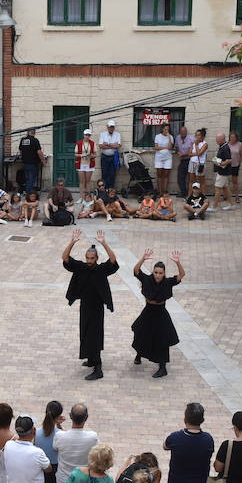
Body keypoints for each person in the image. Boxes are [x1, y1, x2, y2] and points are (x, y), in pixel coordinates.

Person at [61, 229, 119, 381]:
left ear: (96, 258)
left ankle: (98, 368)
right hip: (85, 308)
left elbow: (113, 260)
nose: (89, 260)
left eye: (92, 258)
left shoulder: (101, 270)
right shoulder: (81, 267)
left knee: (95, 336)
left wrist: (104, 243)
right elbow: (65, 258)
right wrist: (72, 242)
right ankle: (91, 359)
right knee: (85, 334)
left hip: (97, 310)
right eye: (87, 257)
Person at [130, 248, 184, 379]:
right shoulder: (147, 279)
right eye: (155, 272)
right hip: (148, 311)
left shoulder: (167, 282)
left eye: (160, 273)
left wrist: (177, 262)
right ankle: (139, 354)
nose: (157, 275)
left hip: (160, 313)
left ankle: (162, 367)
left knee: (162, 339)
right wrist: (143, 259)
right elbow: (136, 270)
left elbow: (181, 275)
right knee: (141, 332)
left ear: (164, 273)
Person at [17, 128, 45, 194]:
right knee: (31, 179)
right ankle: (29, 193)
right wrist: (43, 160)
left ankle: (27, 192)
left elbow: (21, 150)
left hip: (25, 163)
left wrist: (23, 157)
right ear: (34, 133)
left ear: (27, 132)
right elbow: (39, 152)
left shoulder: (23, 140)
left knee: (27, 179)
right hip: (33, 163)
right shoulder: (35, 140)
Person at [97, 120, 121, 190]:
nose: (111, 128)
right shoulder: (102, 134)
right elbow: (101, 146)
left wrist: (107, 144)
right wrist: (113, 145)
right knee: (104, 174)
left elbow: (118, 146)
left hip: (113, 157)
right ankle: (104, 190)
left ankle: (111, 190)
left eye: (112, 127)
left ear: (114, 127)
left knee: (112, 174)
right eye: (110, 127)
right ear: (107, 127)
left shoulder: (117, 134)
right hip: (104, 157)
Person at [153, 123, 174, 195]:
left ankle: (165, 191)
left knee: (166, 174)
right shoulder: (157, 136)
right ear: (162, 129)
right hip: (159, 158)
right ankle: (160, 192)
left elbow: (170, 147)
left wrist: (169, 138)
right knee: (159, 174)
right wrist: (165, 148)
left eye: (168, 129)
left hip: (168, 158)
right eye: (165, 129)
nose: (166, 131)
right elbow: (156, 147)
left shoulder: (171, 137)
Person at [74, 128, 97, 195]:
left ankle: (87, 197)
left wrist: (91, 155)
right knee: (82, 182)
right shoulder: (79, 143)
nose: (87, 136)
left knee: (88, 181)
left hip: (89, 164)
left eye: (89, 135)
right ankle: (82, 197)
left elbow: (95, 155)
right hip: (81, 164)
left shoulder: (92, 143)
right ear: (84, 135)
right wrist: (81, 155)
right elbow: (75, 154)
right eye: (86, 135)